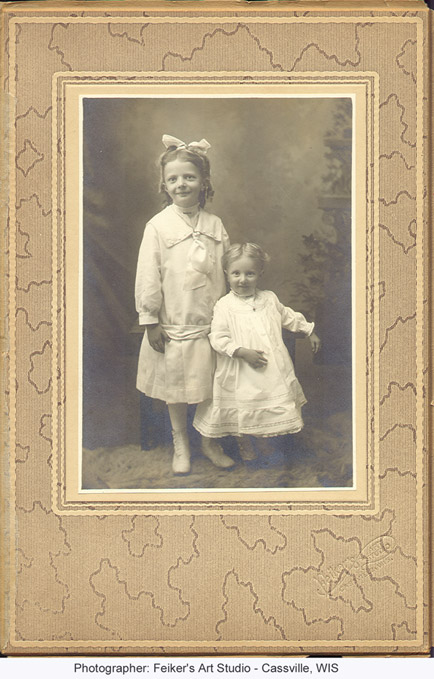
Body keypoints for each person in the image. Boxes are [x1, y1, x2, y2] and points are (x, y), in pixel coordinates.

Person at [135, 134, 235, 475]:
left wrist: (230, 314)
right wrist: (150, 319)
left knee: (211, 384)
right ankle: (181, 442)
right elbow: (148, 275)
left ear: (203, 182)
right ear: (164, 185)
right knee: (175, 387)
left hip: (209, 323)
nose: (182, 184)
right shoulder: (158, 226)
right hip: (174, 321)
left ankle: (208, 440)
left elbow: (226, 269)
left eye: (189, 177)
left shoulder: (215, 225)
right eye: (174, 179)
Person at [193, 242, 321, 460]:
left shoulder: (269, 299)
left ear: (260, 273)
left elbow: (287, 316)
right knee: (243, 403)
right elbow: (218, 337)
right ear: (226, 273)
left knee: (267, 401)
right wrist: (241, 351)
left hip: (271, 367)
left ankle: (263, 441)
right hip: (240, 367)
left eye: (249, 273)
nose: (242, 279)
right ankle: (244, 442)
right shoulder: (224, 305)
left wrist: (309, 330)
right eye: (236, 273)